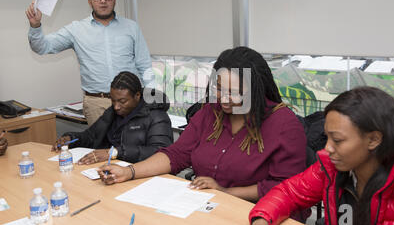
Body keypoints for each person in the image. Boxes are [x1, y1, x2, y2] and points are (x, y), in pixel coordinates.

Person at [97, 47, 307, 205]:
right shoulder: (210, 112)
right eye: (218, 88)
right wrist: (129, 172)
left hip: (258, 213)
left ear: (256, 89)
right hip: (208, 206)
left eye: (234, 92)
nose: (224, 99)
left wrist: (224, 191)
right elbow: (176, 154)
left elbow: (284, 187)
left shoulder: (283, 125)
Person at [244, 86, 394, 225]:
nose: (327, 148)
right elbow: (289, 192)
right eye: (327, 137)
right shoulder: (331, 167)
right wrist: (262, 220)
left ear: (374, 139)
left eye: (337, 140)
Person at [26, 0, 154, 125]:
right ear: (90, 2)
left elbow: (144, 64)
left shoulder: (131, 27)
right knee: (101, 148)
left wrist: (151, 98)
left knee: (135, 145)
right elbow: (42, 47)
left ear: (114, 0)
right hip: (97, 104)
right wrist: (35, 26)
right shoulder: (76, 30)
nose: (103, 1)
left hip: (131, 101)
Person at [52, 71, 173, 165]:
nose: (116, 106)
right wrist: (70, 138)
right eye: (113, 100)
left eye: (122, 101)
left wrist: (115, 153)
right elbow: (91, 136)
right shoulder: (113, 112)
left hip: (138, 171)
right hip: (109, 166)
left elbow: (159, 152)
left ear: (137, 96)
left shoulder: (157, 116)